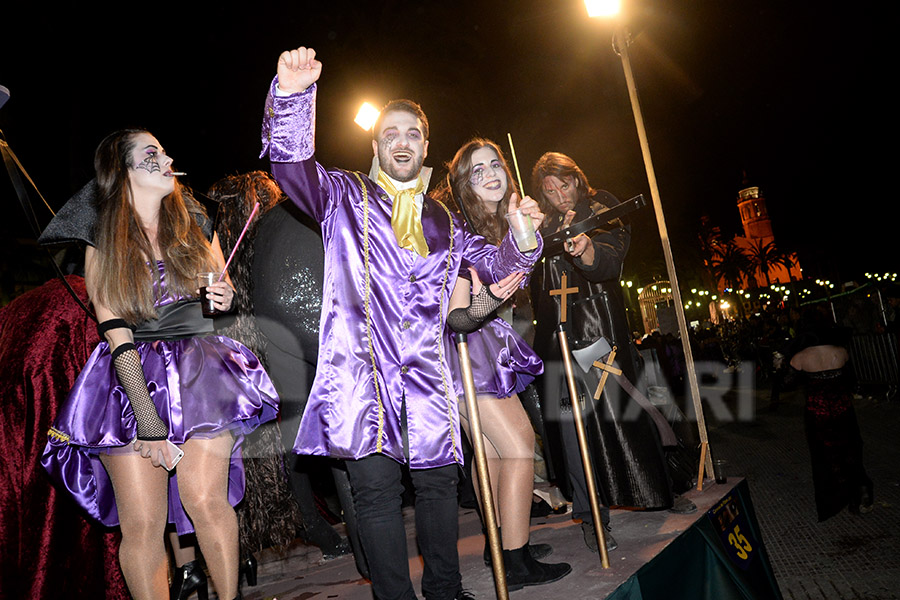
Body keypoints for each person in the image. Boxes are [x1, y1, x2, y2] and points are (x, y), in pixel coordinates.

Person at [261, 46, 543, 600]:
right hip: (363, 381)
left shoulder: (444, 218)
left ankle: (446, 590)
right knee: (376, 496)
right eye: (392, 133)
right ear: (376, 145)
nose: (403, 141)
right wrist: (293, 98)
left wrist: (523, 234)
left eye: (413, 132)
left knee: (440, 488)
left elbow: (497, 266)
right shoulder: (344, 195)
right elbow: (290, 168)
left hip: (429, 381)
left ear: (425, 145)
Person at [40, 129, 279, 600]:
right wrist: (147, 422)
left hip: (201, 372)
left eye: (166, 150)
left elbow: (221, 293)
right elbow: (117, 335)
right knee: (144, 524)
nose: (167, 157)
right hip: (128, 384)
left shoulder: (192, 225)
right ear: (123, 171)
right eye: (152, 153)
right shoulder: (103, 243)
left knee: (205, 497)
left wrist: (223, 296)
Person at [530, 151, 691, 553]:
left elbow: (609, 260)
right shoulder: (540, 222)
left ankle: (661, 486)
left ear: (576, 178)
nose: (558, 196)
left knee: (628, 415)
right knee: (571, 428)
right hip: (558, 340)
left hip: (600, 335)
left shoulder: (602, 205)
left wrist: (584, 249)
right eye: (549, 190)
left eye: (563, 185)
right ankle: (590, 514)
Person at [442, 138, 571, 590]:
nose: (491, 172)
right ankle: (514, 561)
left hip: (481, 347)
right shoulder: (459, 231)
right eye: (477, 170)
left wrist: (521, 230)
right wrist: (521, 237)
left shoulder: (483, 225)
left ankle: (503, 545)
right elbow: (461, 310)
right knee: (518, 444)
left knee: (494, 453)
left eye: (495, 164)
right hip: (462, 351)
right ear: (463, 185)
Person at [789, 307, 874, 520]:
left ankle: (833, 498)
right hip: (844, 410)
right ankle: (861, 490)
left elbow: (787, 383)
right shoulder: (841, 352)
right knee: (851, 450)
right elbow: (852, 381)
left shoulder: (800, 357)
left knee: (824, 455)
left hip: (817, 414)